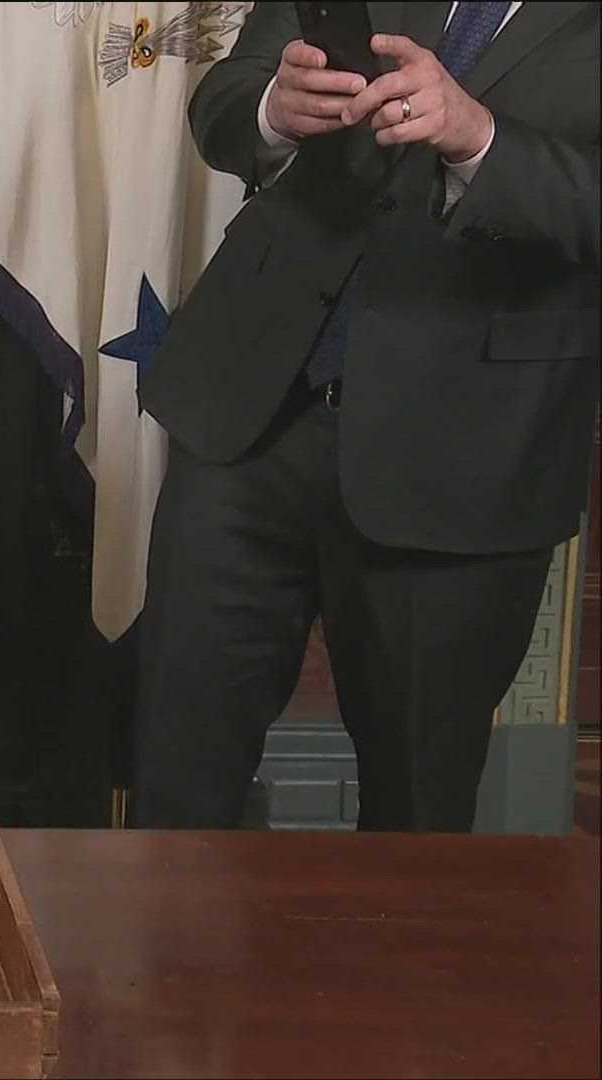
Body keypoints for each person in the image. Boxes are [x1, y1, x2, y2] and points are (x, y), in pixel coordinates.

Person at [134, 2, 599, 830]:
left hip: (464, 462)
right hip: (250, 418)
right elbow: (226, 98)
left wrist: (481, 139)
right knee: (177, 783)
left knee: (416, 820)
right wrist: (274, 111)